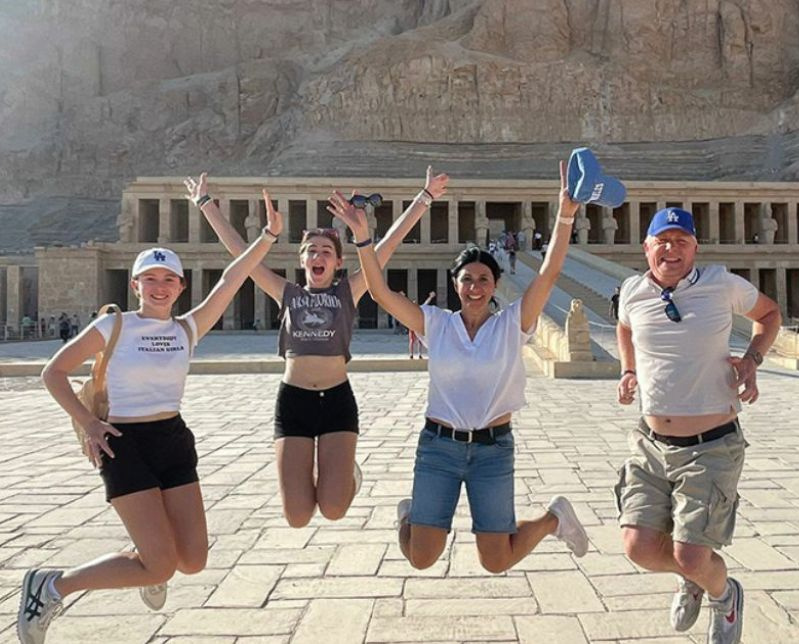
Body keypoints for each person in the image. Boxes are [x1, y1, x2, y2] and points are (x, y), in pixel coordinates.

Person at [18, 218, 282, 644]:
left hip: (173, 440)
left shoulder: (187, 328)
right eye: (150, 279)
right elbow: (54, 372)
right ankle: (51, 586)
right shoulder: (113, 326)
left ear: (181, 287)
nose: (159, 287)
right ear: (135, 285)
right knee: (161, 565)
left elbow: (233, 278)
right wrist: (89, 423)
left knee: (192, 560)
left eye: (168, 279)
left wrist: (268, 236)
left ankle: (143, 563)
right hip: (124, 444)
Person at [329, 160, 588, 573]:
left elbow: (549, 272)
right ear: (455, 284)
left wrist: (566, 214)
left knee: (496, 560)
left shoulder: (512, 325)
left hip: (492, 449)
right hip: (439, 447)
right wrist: (363, 237)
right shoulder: (436, 324)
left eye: (484, 279)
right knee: (421, 557)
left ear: (495, 285)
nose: (475, 287)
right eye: (467, 279)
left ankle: (553, 519)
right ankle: (408, 517)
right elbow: (378, 293)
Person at [194, 168, 448, 528]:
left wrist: (425, 197)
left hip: (336, 401)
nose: (318, 256)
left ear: (338, 262)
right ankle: (327, 473)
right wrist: (206, 204)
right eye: (311, 251)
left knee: (333, 509)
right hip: (293, 401)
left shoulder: (348, 292)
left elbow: (388, 245)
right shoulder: (286, 292)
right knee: (297, 517)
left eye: (326, 251)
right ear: (302, 260)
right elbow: (240, 253)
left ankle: (347, 476)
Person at [615, 207, 781, 644]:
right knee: (637, 547)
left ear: (695, 248)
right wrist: (628, 370)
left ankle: (724, 596)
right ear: (646, 247)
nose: (671, 249)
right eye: (662, 241)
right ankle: (692, 577)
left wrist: (753, 359)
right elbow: (624, 327)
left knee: (691, 555)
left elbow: (769, 315)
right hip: (651, 443)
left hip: (711, 444)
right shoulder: (633, 290)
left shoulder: (721, 284)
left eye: (681, 241)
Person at [408, 292, 435, 359]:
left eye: (415, 303)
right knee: (412, 340)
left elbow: (426, 303)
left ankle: (419, 354)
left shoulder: (420, 308)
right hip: (412, 326)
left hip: (418, 326)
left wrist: (430, 297)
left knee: (420, 341)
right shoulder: (409, 310)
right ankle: (411, 354)